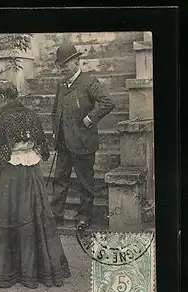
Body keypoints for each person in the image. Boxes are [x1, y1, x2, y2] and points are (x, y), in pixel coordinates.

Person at [0, 95, 71, 289]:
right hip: (33, 173)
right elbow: (41, 146)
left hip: (13, 174)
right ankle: (39, 269)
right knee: (35, 216)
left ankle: (11, 270)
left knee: (10, 216)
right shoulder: (31, 114)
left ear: (3, 99)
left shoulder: (5, 117)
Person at [50, 43, 116, 230]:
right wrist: (56, 129)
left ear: (76, 62)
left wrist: (90, 118)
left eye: (65, 64)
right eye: (60, 65)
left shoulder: (88, 82)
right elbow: (55, 110)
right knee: (59, 180)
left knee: (85, 182)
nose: (62, 68)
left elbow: (108, 102)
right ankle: (56, 216)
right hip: (63, 143)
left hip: (83, 143)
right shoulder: (61, 85)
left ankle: (84, 217)